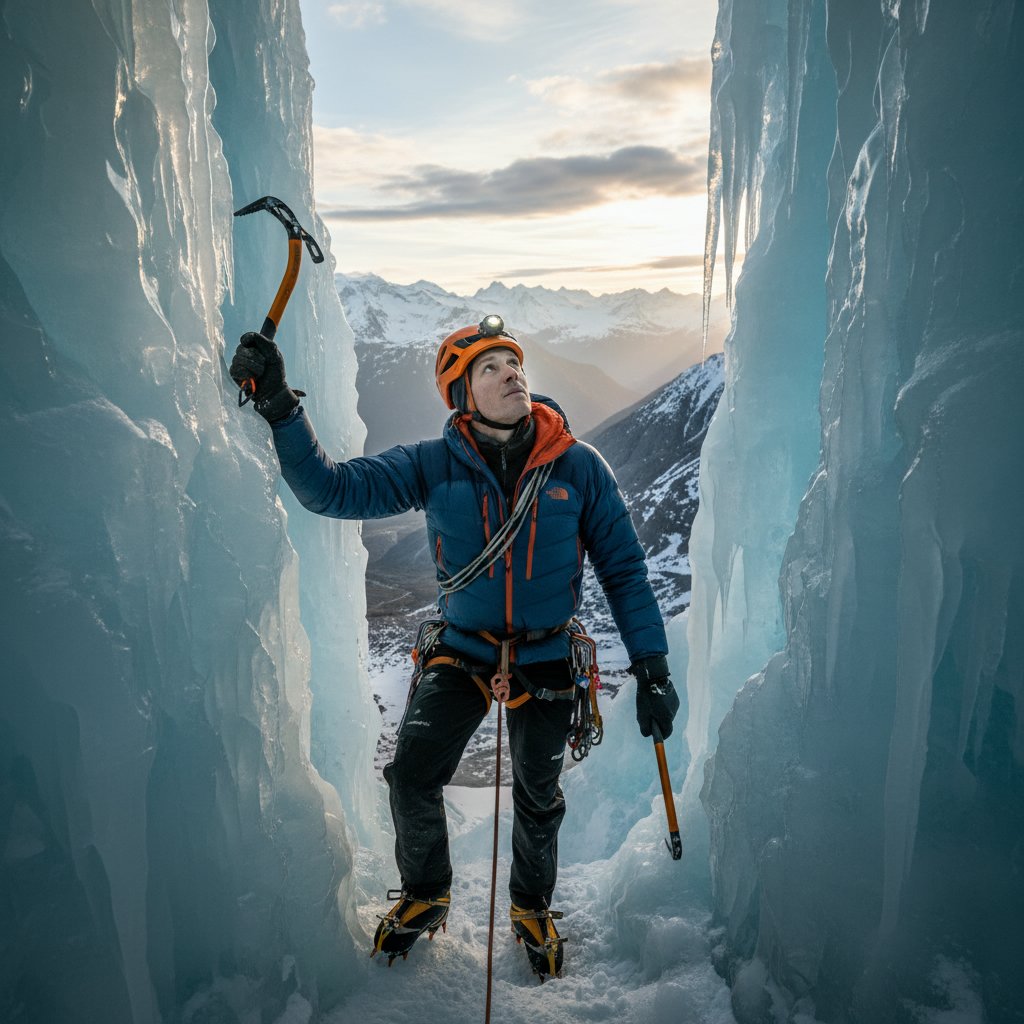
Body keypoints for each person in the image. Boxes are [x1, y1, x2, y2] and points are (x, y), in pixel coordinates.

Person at [229, 314, 679, 978]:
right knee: (412, 774)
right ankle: (425, 894)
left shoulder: (578, 467)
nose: (511, 372)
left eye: (514, 362)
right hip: (462, 648)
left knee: (537, 792)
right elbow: (329, 489)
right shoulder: (431, 465)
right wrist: (278, 406)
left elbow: (624, 570)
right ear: (461, 393)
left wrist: (652, 663)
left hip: (547, 651)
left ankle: (530, 904)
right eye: (490, 367)